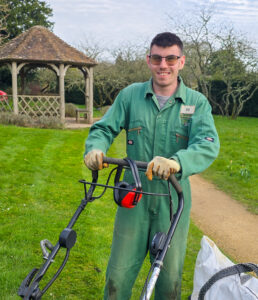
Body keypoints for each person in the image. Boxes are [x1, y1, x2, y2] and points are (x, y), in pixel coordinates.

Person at [84, 32, 220, 300]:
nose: (163, 65)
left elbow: (207, 144)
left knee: (168, 280)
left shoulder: (196, 103)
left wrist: (176, 162)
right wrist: (95, 147)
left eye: (171, 58)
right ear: (149, 60)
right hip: (133, 197)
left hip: (173, 199)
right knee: (117, 277)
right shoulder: (130, 96)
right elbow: (103, 128)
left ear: (181, 61)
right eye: (157, 58)